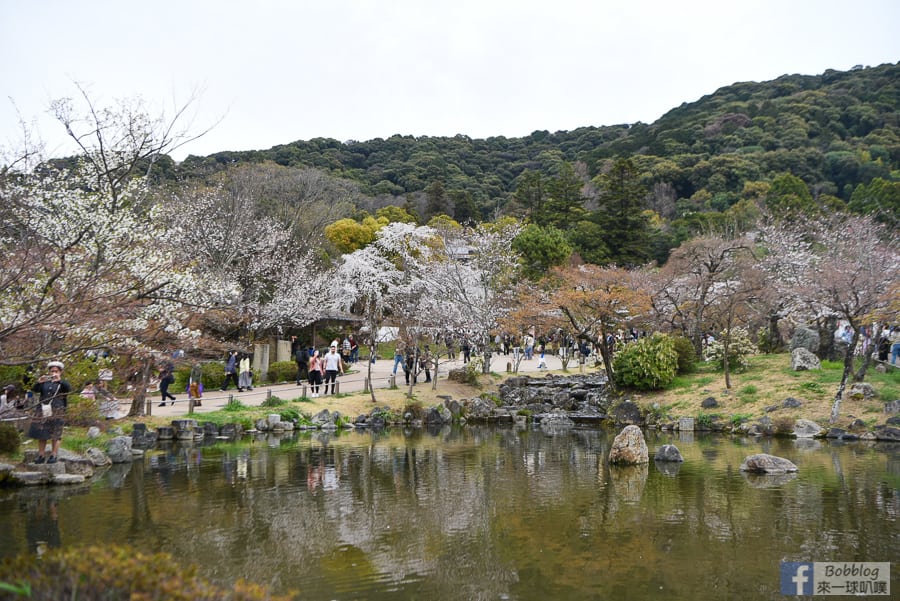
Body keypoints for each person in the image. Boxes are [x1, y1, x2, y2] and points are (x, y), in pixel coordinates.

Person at [28, 360, 71, 464]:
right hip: (43, 410)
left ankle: (53, 455)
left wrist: (59, 380)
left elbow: (68, 389)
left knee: (56, 433)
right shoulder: (45, 383)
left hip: (57, 410)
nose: (53, 373)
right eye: (52, 371)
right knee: (41, 433)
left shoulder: (63, 383)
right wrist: (39, 382)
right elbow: (35, 389)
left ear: (60, 372)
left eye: (56, 371)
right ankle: (41, 456)